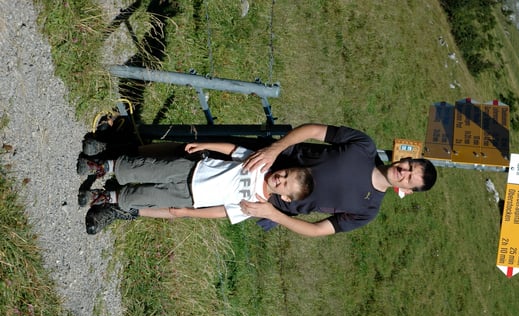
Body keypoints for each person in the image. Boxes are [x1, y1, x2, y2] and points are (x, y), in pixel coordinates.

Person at [235, 123, 437, 237]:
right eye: (410, 166)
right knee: (214, 146)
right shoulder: (364, 145)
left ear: (407, 190)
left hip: (265, 198)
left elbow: (317, 230)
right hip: (264, 157)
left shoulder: (368, 211)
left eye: (409, 179)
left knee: (214, 198)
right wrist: (274, 149)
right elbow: (313, 130)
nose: (404, 172)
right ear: (406, 158)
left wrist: (274, 215)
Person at [78, 142, 314, 234]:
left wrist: (188, 212)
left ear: (285, 197)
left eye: (285, 184)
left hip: (189, 197)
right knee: (145, 168)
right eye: (286, 173)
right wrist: (205, 145)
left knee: (144, 196)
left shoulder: (257, 206)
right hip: (190, 169)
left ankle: (103, 197)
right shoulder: (261, 164)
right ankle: (101, 166)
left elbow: (221, 212)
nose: (280, 178)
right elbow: (234, 150)